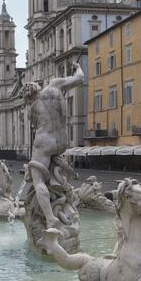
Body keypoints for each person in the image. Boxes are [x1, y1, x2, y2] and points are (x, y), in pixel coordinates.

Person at [23, 64, 85, 228]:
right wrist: (77, 67)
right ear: (38, 87)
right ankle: (58, 193)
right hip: (63, 141)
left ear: (27, 97)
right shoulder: (55, 85)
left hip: (45, 142)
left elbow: (37, 124)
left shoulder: (31, 110)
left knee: (38, 180)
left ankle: (50, 218)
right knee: (49, 168)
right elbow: (80, 78)